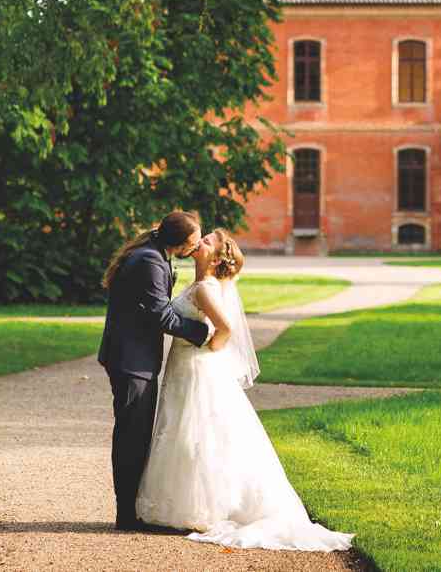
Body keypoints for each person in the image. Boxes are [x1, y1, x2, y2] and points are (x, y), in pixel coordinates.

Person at [135, 229, 354, 551]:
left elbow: (226, 329)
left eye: (206, 241)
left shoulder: (205, 289)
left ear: (215, 257)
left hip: (196, 365)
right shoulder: (200, 285)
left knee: (194, 429)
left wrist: (205, 350)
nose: (199, 243)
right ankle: (186, 503)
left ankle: (196, 507)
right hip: (185, 363)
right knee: (187, 428)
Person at [97, 210, 211, 532]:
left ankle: (131, 511)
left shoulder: (154, 254)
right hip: (131, 361)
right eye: (194, 240)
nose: (198, 244)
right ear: (179, 241)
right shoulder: (149, 261)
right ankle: (127, 516)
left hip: (131, 358)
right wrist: (204, 334)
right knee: (132, 436)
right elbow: (161, 316)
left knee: (134, 433)